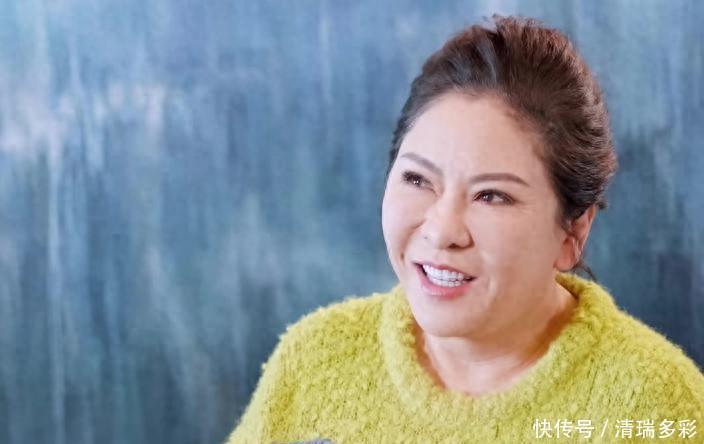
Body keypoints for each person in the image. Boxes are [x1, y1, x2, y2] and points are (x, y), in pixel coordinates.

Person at [227, 15, 704, 443]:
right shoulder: (313, 361)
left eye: (492, 195)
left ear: (572, 232)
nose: (441, 231)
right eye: (418, 179)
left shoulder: (655, 408)